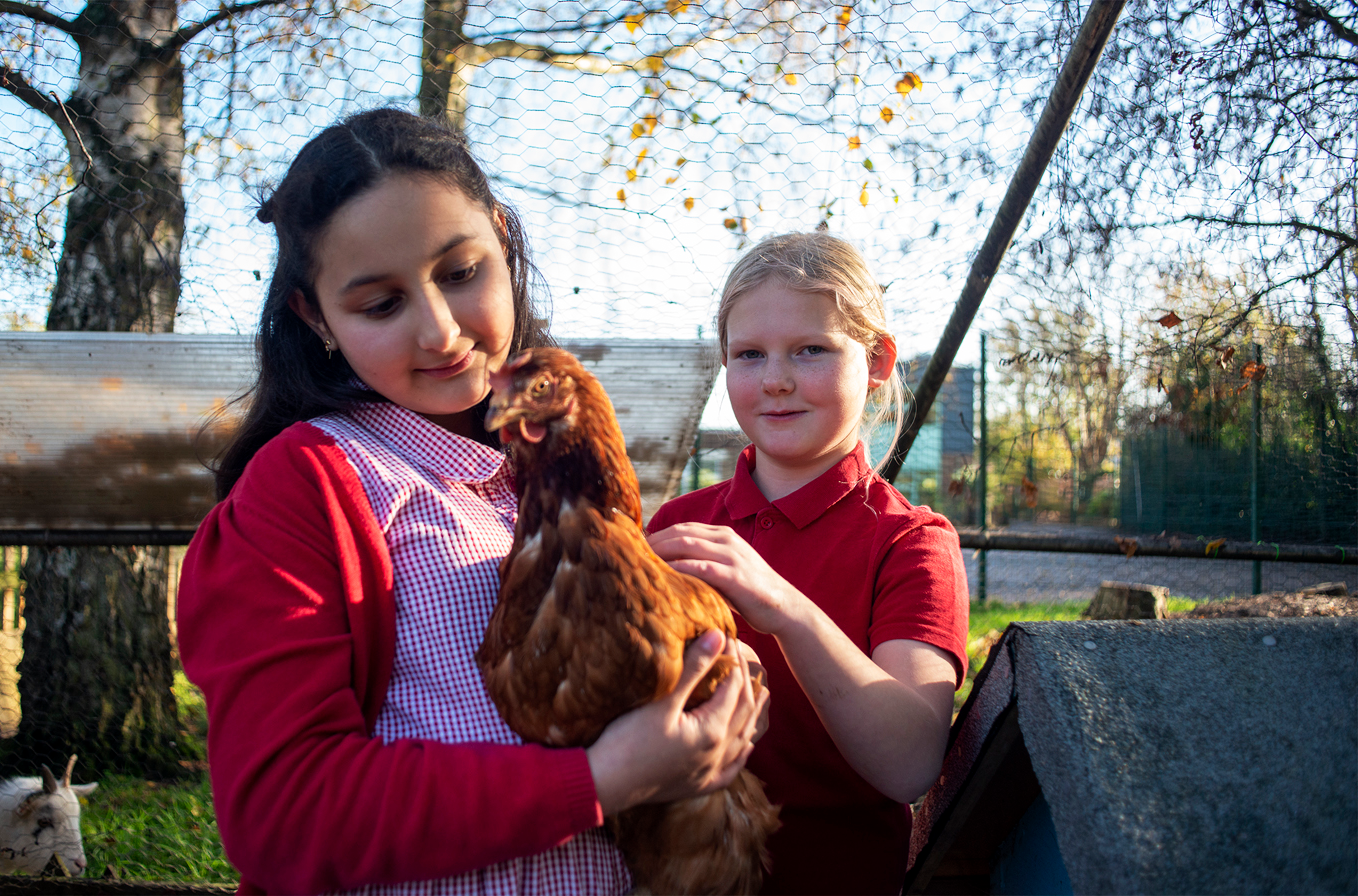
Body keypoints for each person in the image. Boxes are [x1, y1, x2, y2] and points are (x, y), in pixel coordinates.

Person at [176, 107, 765, 896]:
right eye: (381, 305)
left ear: (503, 238)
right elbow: (283, 812)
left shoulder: (547, 478)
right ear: (315, 317)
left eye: (460, 273)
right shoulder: (306, 487)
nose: (442, 332)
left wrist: (707, 693)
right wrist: (600, 778)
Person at [647, 232, 970, 895]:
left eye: (810, 350)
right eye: (749, 355)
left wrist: (788, 611)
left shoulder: (912, 542)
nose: (775, 380)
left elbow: (909, 763)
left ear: (877, 360)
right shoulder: (677, 527)